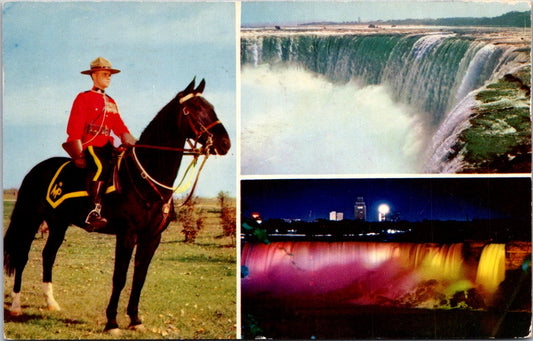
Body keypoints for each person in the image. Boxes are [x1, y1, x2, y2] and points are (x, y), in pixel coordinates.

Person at [62, 57, 137, 231]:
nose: (109, 77)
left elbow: (119, 126)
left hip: (107, 146)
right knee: (100, 167)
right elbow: (74, 126)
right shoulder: (84, 98)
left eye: (110, 74)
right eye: (105, 74)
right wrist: (78, 154)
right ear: (94, 75)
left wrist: (132, 140)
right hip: (90, 145)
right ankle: (92, 211)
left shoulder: (111, 101)